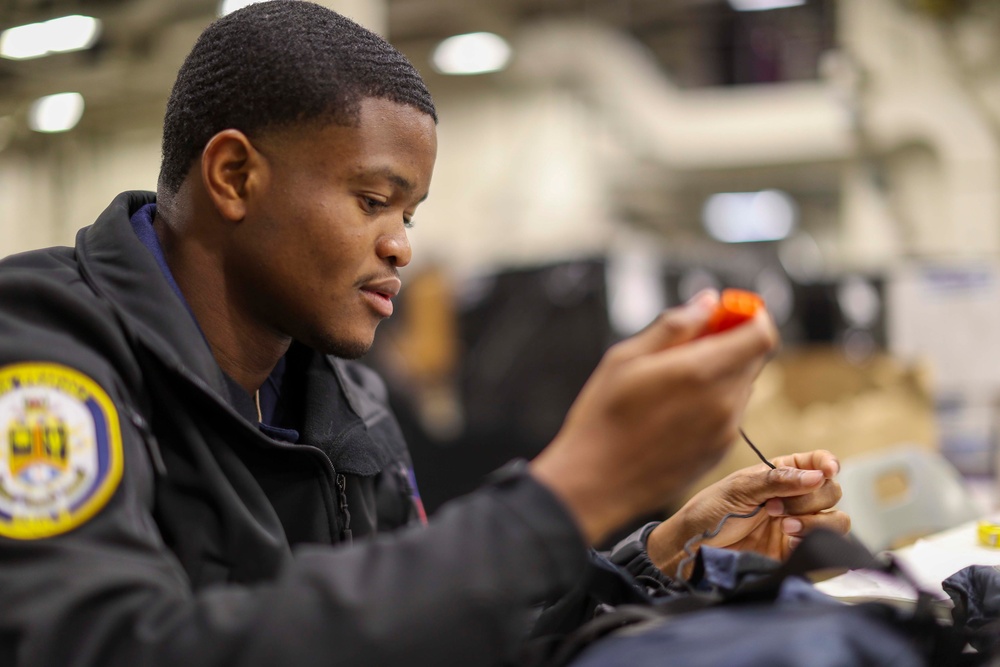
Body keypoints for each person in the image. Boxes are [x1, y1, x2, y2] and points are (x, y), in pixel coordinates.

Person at [0, 2, 848, 665]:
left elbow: (435, 622)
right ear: (233, 175)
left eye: (409, 213)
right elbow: (104, 648)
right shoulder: (43, 349)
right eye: (373, 201)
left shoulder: (346, 402)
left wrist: (658, 555)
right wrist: (572, 488)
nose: (402, 243)